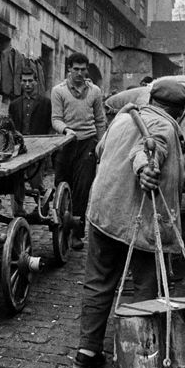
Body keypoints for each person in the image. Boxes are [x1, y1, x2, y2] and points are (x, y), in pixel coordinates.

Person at [72, 79, 185, 368]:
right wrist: (144, 170)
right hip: (141, 223)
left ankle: (87, 351)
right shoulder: (164, 128)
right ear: (179, 111)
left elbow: (100, 150)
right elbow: (148, 151)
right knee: (146, 286)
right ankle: (137, 360)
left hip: (103, 212)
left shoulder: (124, 117)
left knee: (99, 281)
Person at [51, 52, 107, 250]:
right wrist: (66, 130)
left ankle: (77, 233)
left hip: (87, 144)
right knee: (61, 186)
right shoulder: (58, 91)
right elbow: (56, 118)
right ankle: (59, 229)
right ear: (69, 69)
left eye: (83, 69)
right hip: (66, 143)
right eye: (76, 69)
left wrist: (101, 146)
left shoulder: (95, 92)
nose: (80, 73)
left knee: (82, 190)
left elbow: (100, 121)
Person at [8, 62, 52, 217]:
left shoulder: (46, 103)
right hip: (19, 147)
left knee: (35, 179)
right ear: (20, 82)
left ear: (36, 82)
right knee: (17, 177)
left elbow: (49, 126)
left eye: (30, 81)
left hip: (39, 146)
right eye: (24, 81)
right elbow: (11, 127)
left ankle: (43, 201)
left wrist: (47, 150)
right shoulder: (14, 104)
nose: (27, 84)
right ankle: (18, 210)